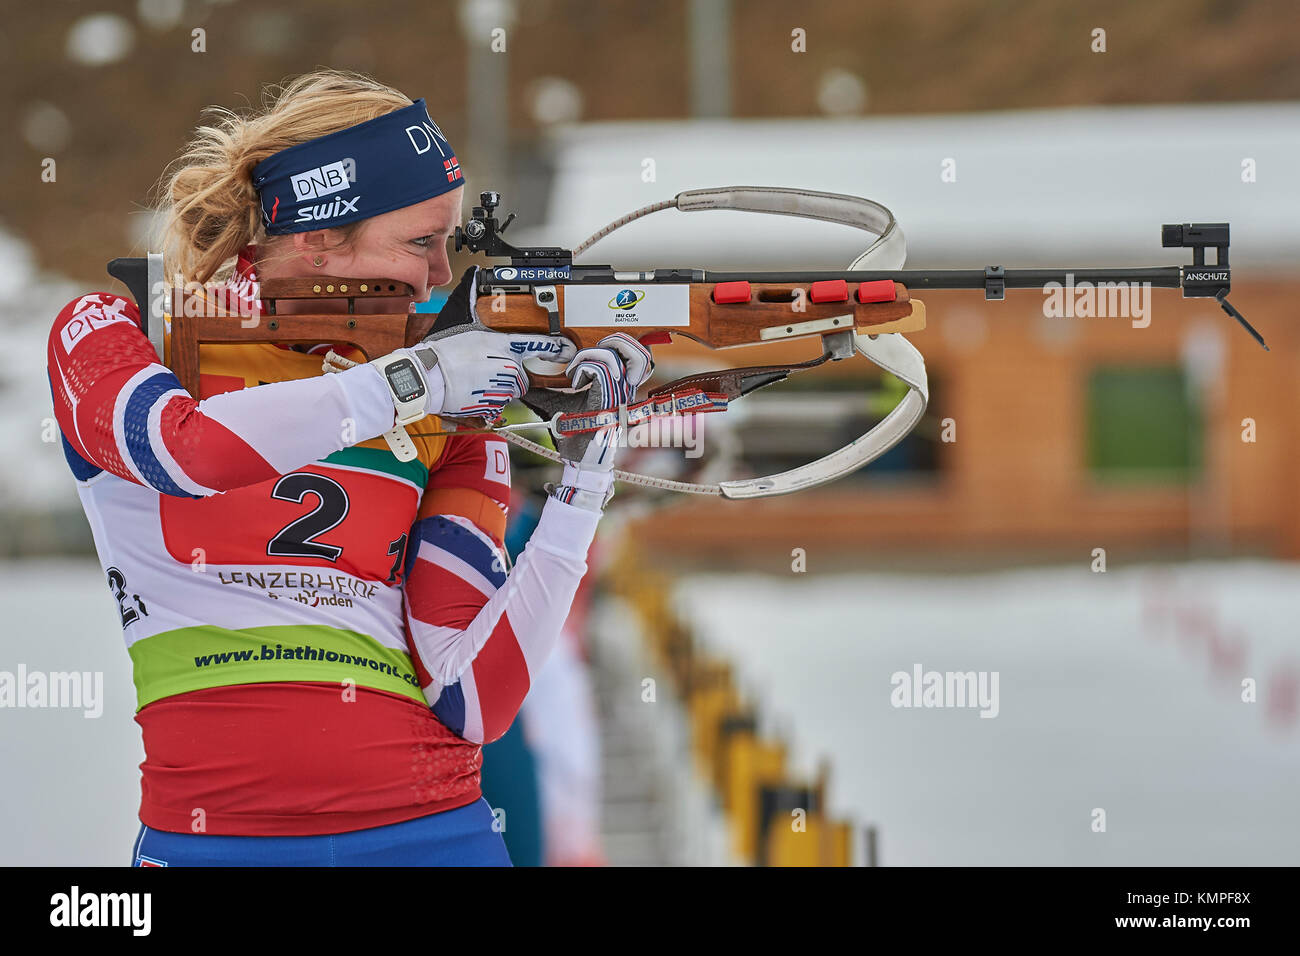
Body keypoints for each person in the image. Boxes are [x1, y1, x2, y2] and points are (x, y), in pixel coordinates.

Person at [45, 69, 650, 866]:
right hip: (213, 841)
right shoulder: (123, 337)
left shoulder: (450, 411)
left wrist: (582, 487)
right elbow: (186, 451)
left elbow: (471, 696)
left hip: (436, 836)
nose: (441, 276)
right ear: (320, 235)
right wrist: (416, 381)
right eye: (420, 241)